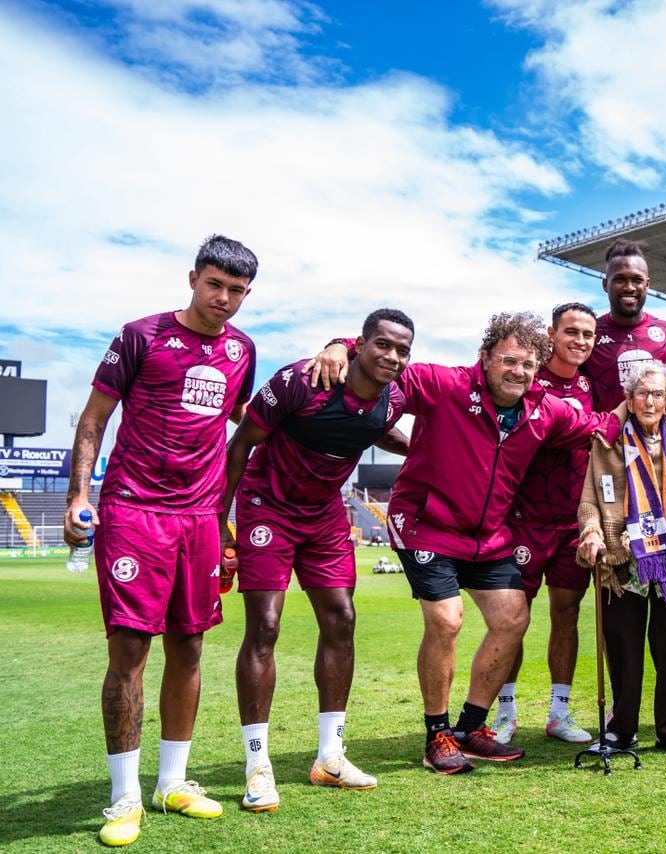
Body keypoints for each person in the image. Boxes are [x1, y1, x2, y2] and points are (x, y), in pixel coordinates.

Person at [309, 312, 623, 774]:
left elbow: (600, 427)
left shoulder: (545, 408)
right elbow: (385, 367)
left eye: (529, 364)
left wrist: (648, 402)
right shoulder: (446, 384)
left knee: (513, 617)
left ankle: (471, 728)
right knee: (447, 618)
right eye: (509, 360)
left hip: (488, 534)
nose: (519, 371)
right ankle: (437, 733)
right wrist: (340, 346)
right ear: (486, 358)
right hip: (425, 523)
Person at [63, 235, 259, 847]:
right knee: (129, 651)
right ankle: (123, 797)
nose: (223, 299)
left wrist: (228, 505)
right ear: (192, 278)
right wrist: (79, 495)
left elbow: (245, 426)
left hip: (199, 518)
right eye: (214, 285)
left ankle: (171, 782)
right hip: (133, 510)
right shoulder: (140, 336)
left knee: (191, 646)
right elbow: (94, 419)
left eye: (236, 292)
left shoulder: (242, 350)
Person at [220, 309, 414, 813]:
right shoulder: (301, 381)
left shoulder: (397, 394)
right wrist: (221, 521)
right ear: (360, 346)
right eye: (383, 345)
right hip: (268, 505)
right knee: (264, 626)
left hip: (325, 512)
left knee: (342, 619)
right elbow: (239, 445)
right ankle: (257, 765)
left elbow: (370, 427)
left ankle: (331, 756)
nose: (392, 357)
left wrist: (421, 452)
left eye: (402, 350)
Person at [577, 362, 666, 755]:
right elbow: (590, 498)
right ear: (629, 399)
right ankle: (621, 729)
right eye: (641, 393)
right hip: (625, 555)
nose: (649, 400)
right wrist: (591, 532)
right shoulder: (608, 440)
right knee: (623, 645)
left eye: (657, 394)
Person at [495, 302, 599, 745]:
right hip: (523, 519)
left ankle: (558, 713)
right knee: (512, 619)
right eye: (571, 332)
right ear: (552, 335)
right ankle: (504, 713)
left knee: (567, 615)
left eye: (588, 334)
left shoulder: (592, 384)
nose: (579, 341)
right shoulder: (527, 377)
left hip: (572, 522)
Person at [582, 239, 666, 412]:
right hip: (609, 437)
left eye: (637, 280)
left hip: (661, 438)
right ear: (605, 284)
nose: (629, 287)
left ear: (647, 285)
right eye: (620, 279)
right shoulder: (588, 335)